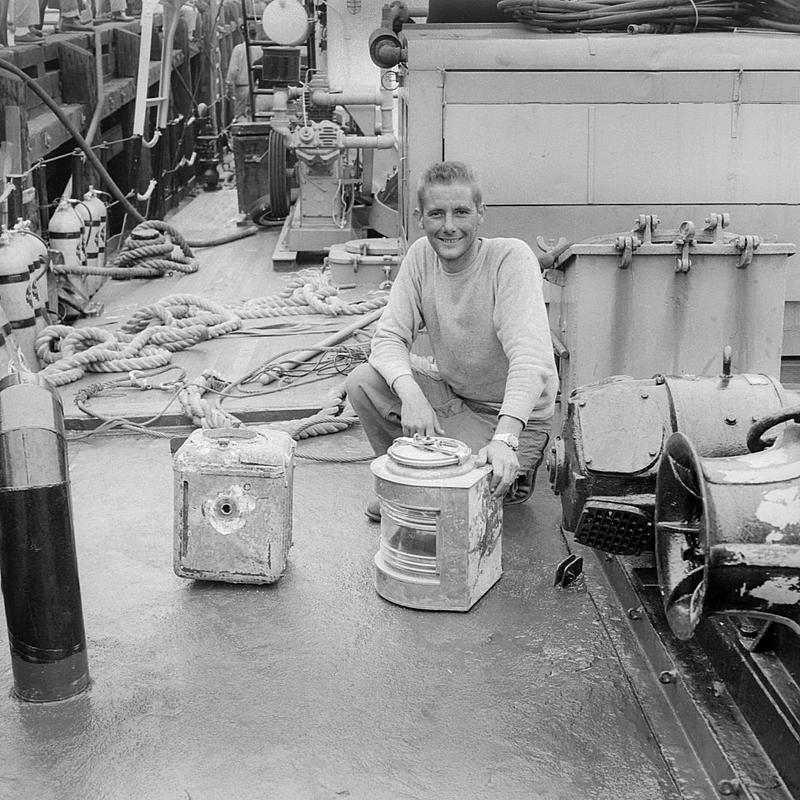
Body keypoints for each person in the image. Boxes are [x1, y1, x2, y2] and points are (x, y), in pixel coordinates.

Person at [345, 160, 558, 521]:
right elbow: (388, 338)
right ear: (420, 217)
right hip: (457, 400)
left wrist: (505, 440)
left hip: (511, 421)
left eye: (461, 212)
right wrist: (412, 396)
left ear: (480, 214)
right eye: (436, 214)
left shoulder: (511, 258)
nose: (449, 227)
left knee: (461, 505)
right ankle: (406, 486)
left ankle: (509, 470)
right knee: (364, 383)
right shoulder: (420, 257)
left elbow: (530, 359)